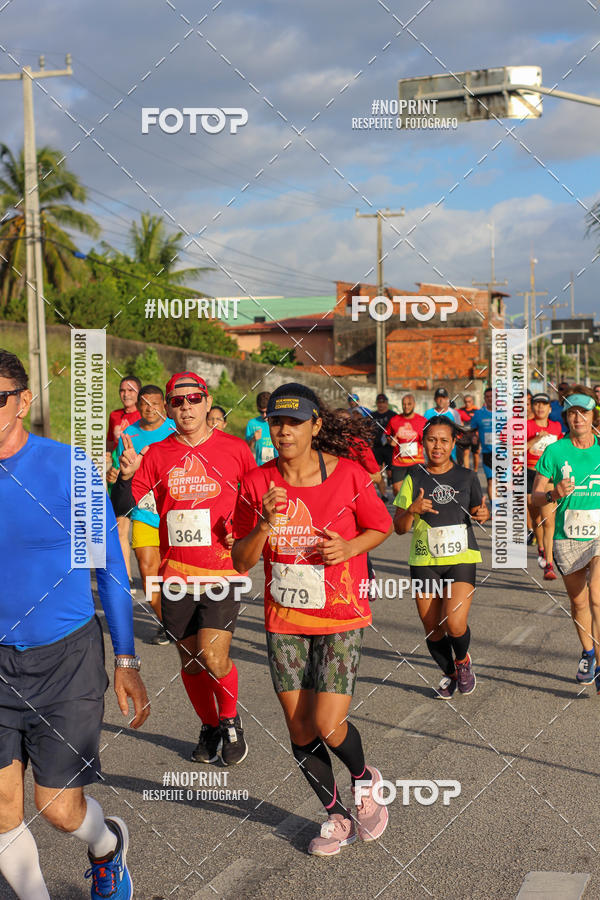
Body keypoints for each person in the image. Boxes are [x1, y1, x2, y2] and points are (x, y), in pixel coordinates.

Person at [0, 349, 149, 900]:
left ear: (24, 402)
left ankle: (107, 843)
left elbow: (109, 567)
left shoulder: (69, 468)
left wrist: (126, 659)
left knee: (59, 810)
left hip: (65, 659)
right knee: (1, 811)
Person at [232, 383, 392, 857]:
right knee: (300, 729)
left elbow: (379, 525)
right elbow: (241, 561)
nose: (283, 431)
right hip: (284, 620)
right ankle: (336, 815)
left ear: (315, 426)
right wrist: (263, 525)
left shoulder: (347, 476)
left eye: (294, 423)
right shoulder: (258, 482)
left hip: (341, 614)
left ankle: (365, 780)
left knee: (326, 721)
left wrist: (349, 547)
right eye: (277, 422)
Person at [114, 371, 256, 766]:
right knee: (190, 660)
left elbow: (256, 499)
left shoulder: (235, 449)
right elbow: (125, 504)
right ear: (169, 408)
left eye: (194, 399)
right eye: (177, 401)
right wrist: (125, 477)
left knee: (213, 656)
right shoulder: (158, 454)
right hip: (176, 573)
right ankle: (209, 725)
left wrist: (242, 532)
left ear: (208, 403)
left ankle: (230, 721)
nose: (186, 407)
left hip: (221, 571)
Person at [393, 415, 488, 699]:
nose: (438, 446)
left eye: (444, 440)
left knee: (454, 622)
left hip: (460, 557)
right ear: (423, 443)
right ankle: (449, 672)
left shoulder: (467, 477)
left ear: (453, 443)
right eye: (432, 440)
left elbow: (478, 511)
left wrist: (483, 514)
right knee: (432, 627)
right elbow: (399, 528)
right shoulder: (414, 476)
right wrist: (413, 509)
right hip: (424, 560)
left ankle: (463, 662)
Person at [531, 386, 600, 687]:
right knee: (579, 602)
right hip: (567, 535)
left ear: (593, 414)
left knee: (597, 595)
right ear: (566, 416)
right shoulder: (555, 451)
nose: (578, 417)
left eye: (583, 412)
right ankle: (588, 653)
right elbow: (535, 497)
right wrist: (553, 493)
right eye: (572, 412)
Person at [112, 385, 177, 645]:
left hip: (177, 514)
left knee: (178, 573)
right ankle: (169, 625)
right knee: (149, 572)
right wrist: (117, 475)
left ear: (164, 406)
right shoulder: (128, 434)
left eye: (155, 403)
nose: (150, 409)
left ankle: (189, 620)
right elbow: (121, 475)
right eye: (144, 404)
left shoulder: (175, 429)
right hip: (145, 512)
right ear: (137, 407)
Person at [526, 394, 562, 580]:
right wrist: (534, 439)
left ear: (550, 408)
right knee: (535, 517)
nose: (540, 408)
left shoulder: (556, 427)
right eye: (537, 404)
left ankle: (549, 563)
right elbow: (515, 452)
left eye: (544, 404)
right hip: (529, 474)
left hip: (549, 476)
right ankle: (540, 546)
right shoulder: (526, 426)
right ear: (532, 407)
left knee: (548, 520)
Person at [335, 409, 388, 500]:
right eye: (339, 421)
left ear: (352, 424)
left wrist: (353, 476)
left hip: (357, 495)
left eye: (347, 422)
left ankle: (384, 495)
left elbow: (377, 477)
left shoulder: (359, 444)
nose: (343, 424)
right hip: (334, 495)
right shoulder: (324, 445)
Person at [385, 394, 427, 496]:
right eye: (404, 404)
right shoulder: (394, 420)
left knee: (416, 491)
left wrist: (425, 441)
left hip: (416, 461)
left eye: (409, 404)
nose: (406, 406)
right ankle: (403, 511)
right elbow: (386, 436)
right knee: (397, 491)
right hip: (399, 462)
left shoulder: (422, 421)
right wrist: (391, 441)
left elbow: (429, 437)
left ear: (414, 405)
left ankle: (413, 511)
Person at [470, 387, 494, 505]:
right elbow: (472, 430)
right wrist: (474, 437)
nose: (490, 399)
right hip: (487, 453)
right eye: (488, 397)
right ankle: (497, 510)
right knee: (491, 482)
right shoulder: (479, 414)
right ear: (484, 399)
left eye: (492, 396)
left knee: (506, 484)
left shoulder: (505, 413)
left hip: (505, 454)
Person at [106, 375, 141, 452]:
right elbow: (109, 444)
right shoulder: (114, 415)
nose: (126, 394)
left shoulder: (145, 415)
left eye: (130, 390)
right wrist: (108, 454)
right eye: (122, 390)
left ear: (139, 393)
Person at [245, 391, 277, 465]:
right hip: (260, 468)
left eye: (267, 411)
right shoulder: (252, 424)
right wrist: (253, 440)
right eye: (261, 412)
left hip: (278, 469)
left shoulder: (279, 423)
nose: (264, 415)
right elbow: (245, 450)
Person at [370, 394, 395, 486]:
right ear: (376, 403)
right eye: (379, 402)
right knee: (377, 471)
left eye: (383, 402)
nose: (381, 405)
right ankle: (384, 495)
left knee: (390, 472)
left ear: (387, 403)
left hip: (389, 447)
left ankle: (391, 481)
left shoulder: (392, 415)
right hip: (376, 447)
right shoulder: (372, 415)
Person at [456, 394, 479, 469]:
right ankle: (467, 469)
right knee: (466, 452)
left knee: (475, 453)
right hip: (465, 435)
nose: (467, 403)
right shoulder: (461, 410)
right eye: (465, 402)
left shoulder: (477, 410)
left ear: (472, 402)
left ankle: (475, 470)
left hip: (475, 435)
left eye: (469, 402)